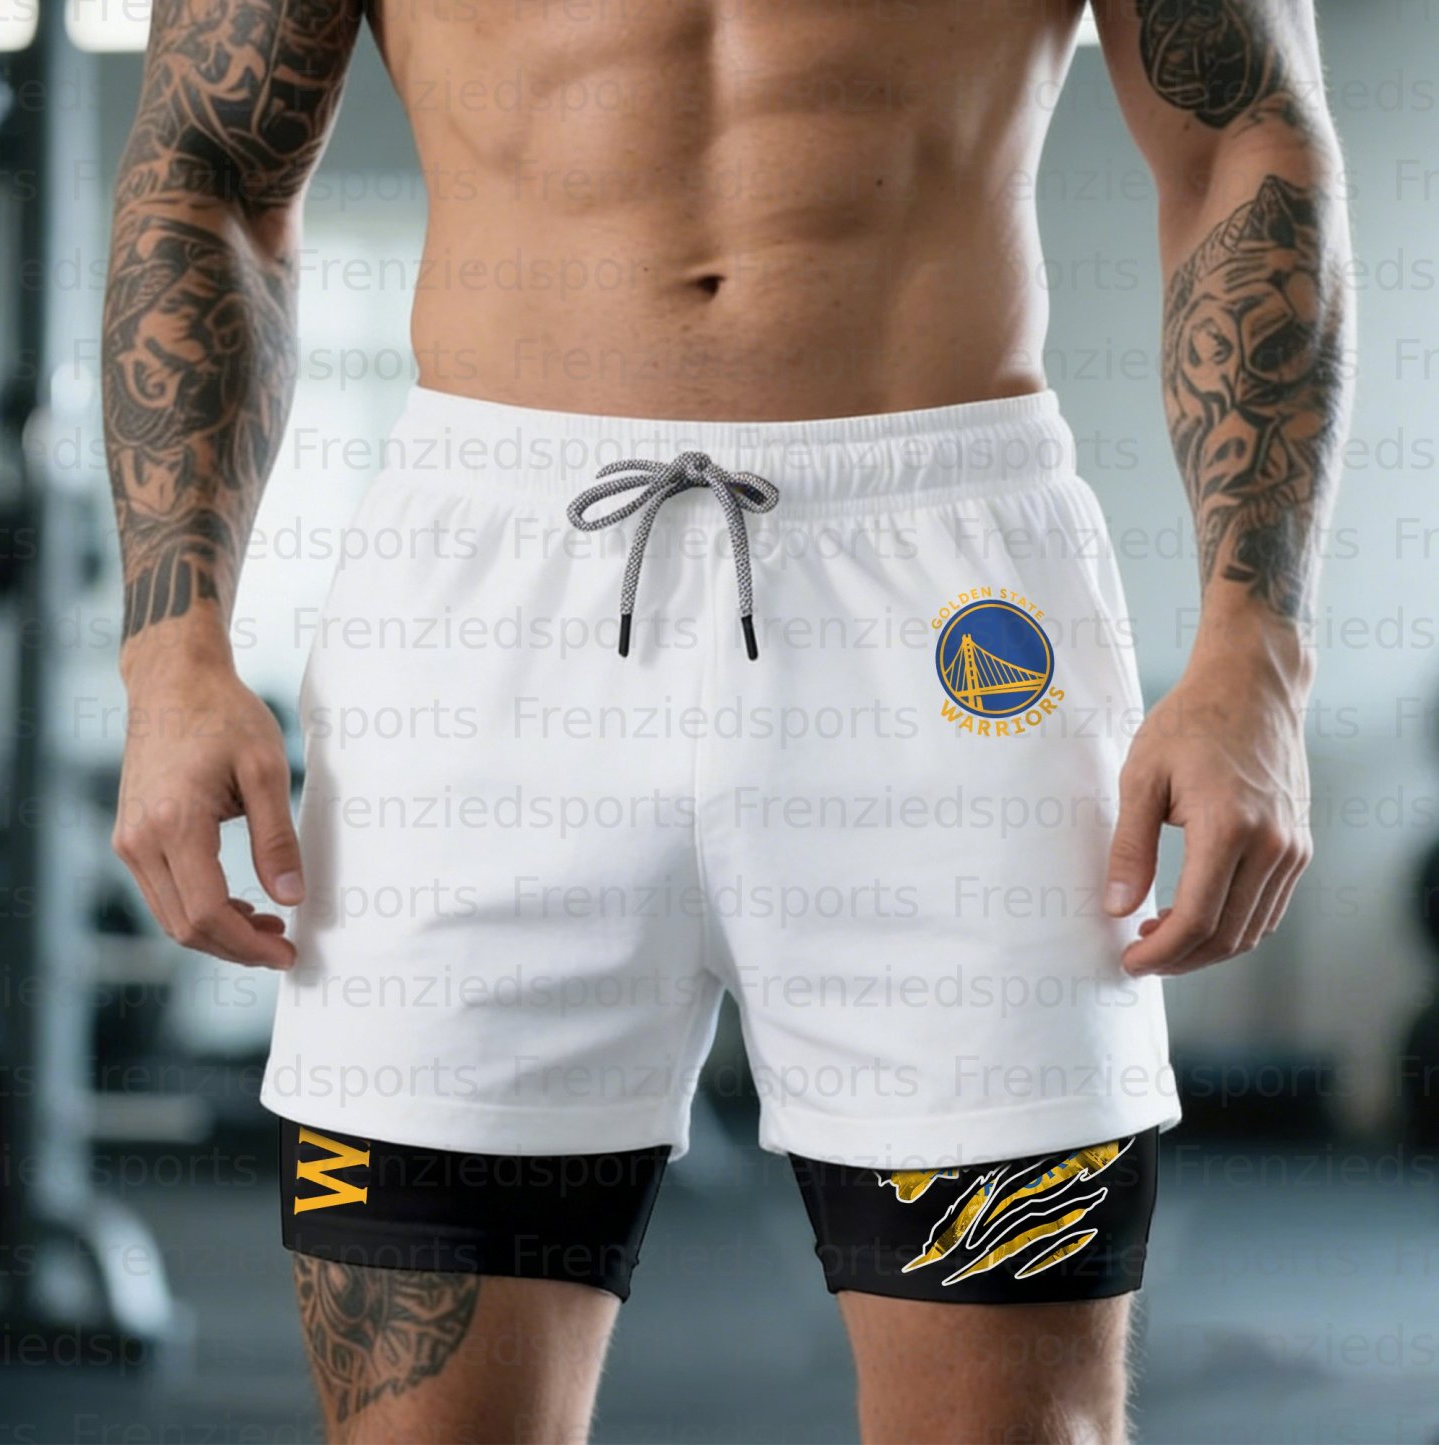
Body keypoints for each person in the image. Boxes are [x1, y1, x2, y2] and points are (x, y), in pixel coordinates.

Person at [101, 0, 1352, 1439]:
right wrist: (171, 652)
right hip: (487, 595)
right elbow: (207, 166)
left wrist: (1259, 656)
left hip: (940, 596)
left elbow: (1246, 132)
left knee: (1010, 1423)